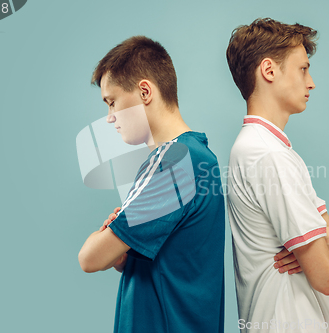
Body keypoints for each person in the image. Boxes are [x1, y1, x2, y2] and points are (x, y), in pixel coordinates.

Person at [78, 36, 225, 333]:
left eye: (112, 102)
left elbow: (89, 258)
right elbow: (170, 259)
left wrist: (106, 236)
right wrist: (122, 250)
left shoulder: (175, 163)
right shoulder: (191, 157)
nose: (109, 118)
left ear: (145, 91)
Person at [225, 18, 329, 332]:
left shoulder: (273, 151)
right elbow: (325, 277)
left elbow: (324, 245)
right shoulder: (269, 155)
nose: (311, 83)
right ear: (269, 70)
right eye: (303, 69)